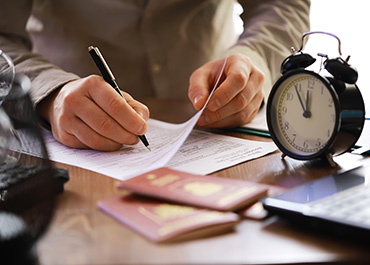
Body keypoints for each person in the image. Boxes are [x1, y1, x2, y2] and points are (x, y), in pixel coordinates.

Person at [0, 1, 310, 151]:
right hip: (67, 130)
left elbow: (280, 4)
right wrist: (51, 92)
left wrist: (254, 57)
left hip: (219, 118)